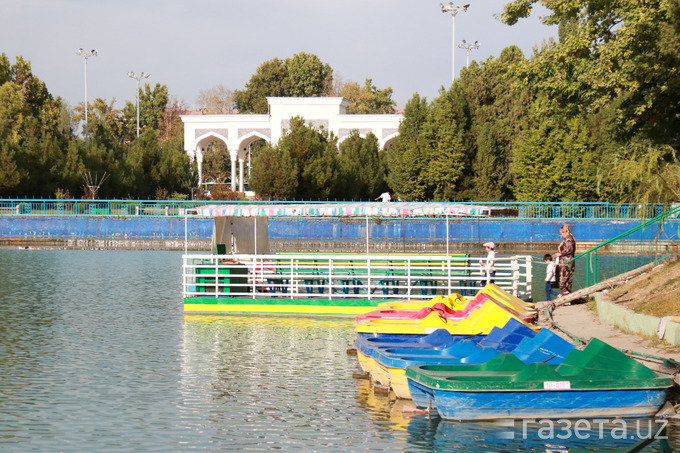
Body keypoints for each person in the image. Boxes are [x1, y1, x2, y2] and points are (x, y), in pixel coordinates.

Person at [553, 224, 576, 295]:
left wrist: (560, 254)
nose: (561, 235)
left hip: (566, 261)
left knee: (563, 278)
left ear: (564, 232)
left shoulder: (568, 239)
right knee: (565, 279)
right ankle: (566, 294)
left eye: (561, 233)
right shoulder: (567, 238)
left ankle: (566, 293)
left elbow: (569, 249)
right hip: (565, 260)